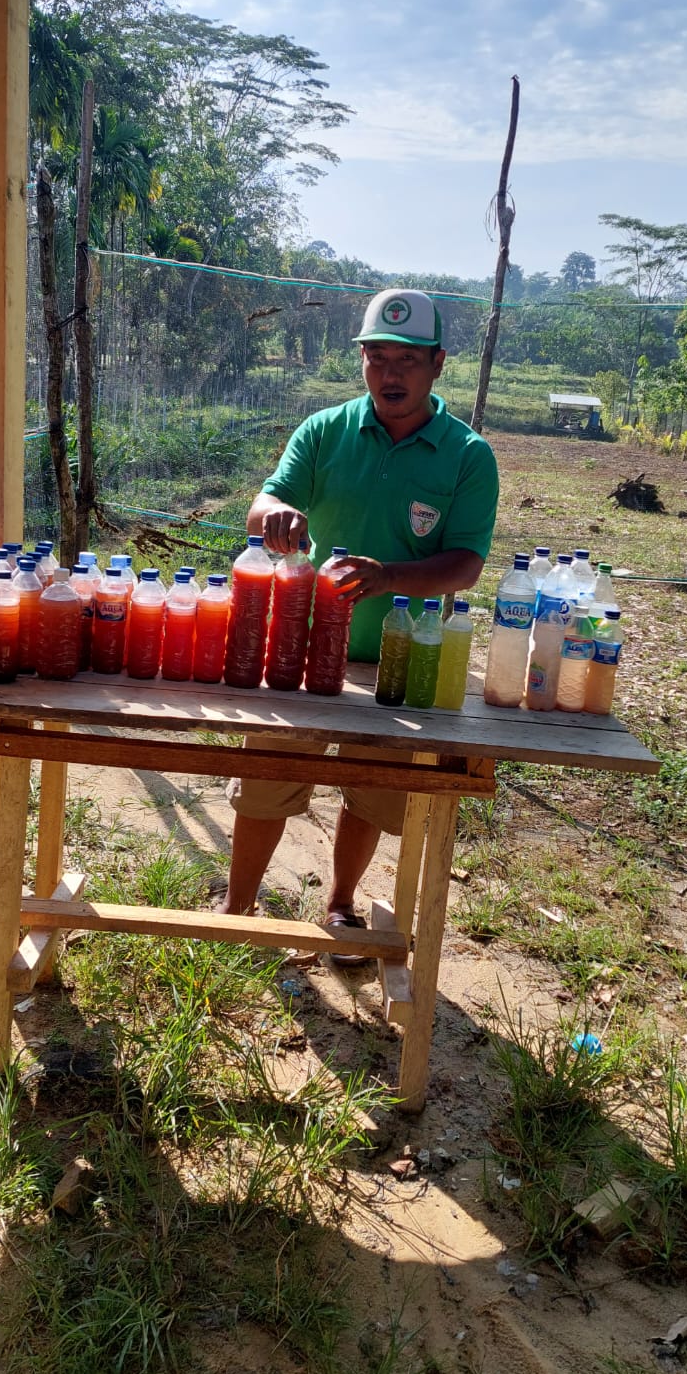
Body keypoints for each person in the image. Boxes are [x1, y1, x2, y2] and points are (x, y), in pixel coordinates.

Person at [218, 288, 500, 955]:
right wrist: (273, 519)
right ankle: (237, 906)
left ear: (437, 364)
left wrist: (393, 578)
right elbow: (265, 502)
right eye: (376, 358)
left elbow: (464, 564)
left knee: (372, 790)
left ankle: (341, 904)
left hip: (397, 658)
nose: (389, 374)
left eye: (405, 360)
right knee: (266, 780)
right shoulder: (326, 431)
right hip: (299, 647)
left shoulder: (465, 455)